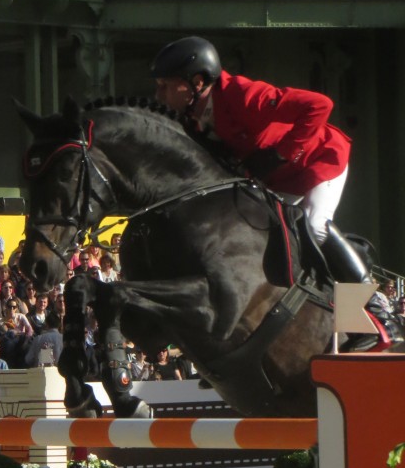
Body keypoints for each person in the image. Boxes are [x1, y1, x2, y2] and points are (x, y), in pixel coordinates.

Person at [151, 35, 369, 282]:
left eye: (165, 86)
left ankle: (370, 297)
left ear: (197, 82)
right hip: (281, 181)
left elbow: (320, 105)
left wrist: (280, 153)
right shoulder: (191, 116)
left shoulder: (244, 95)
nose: (159, 95)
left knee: (314, 225)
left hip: (318, 160)